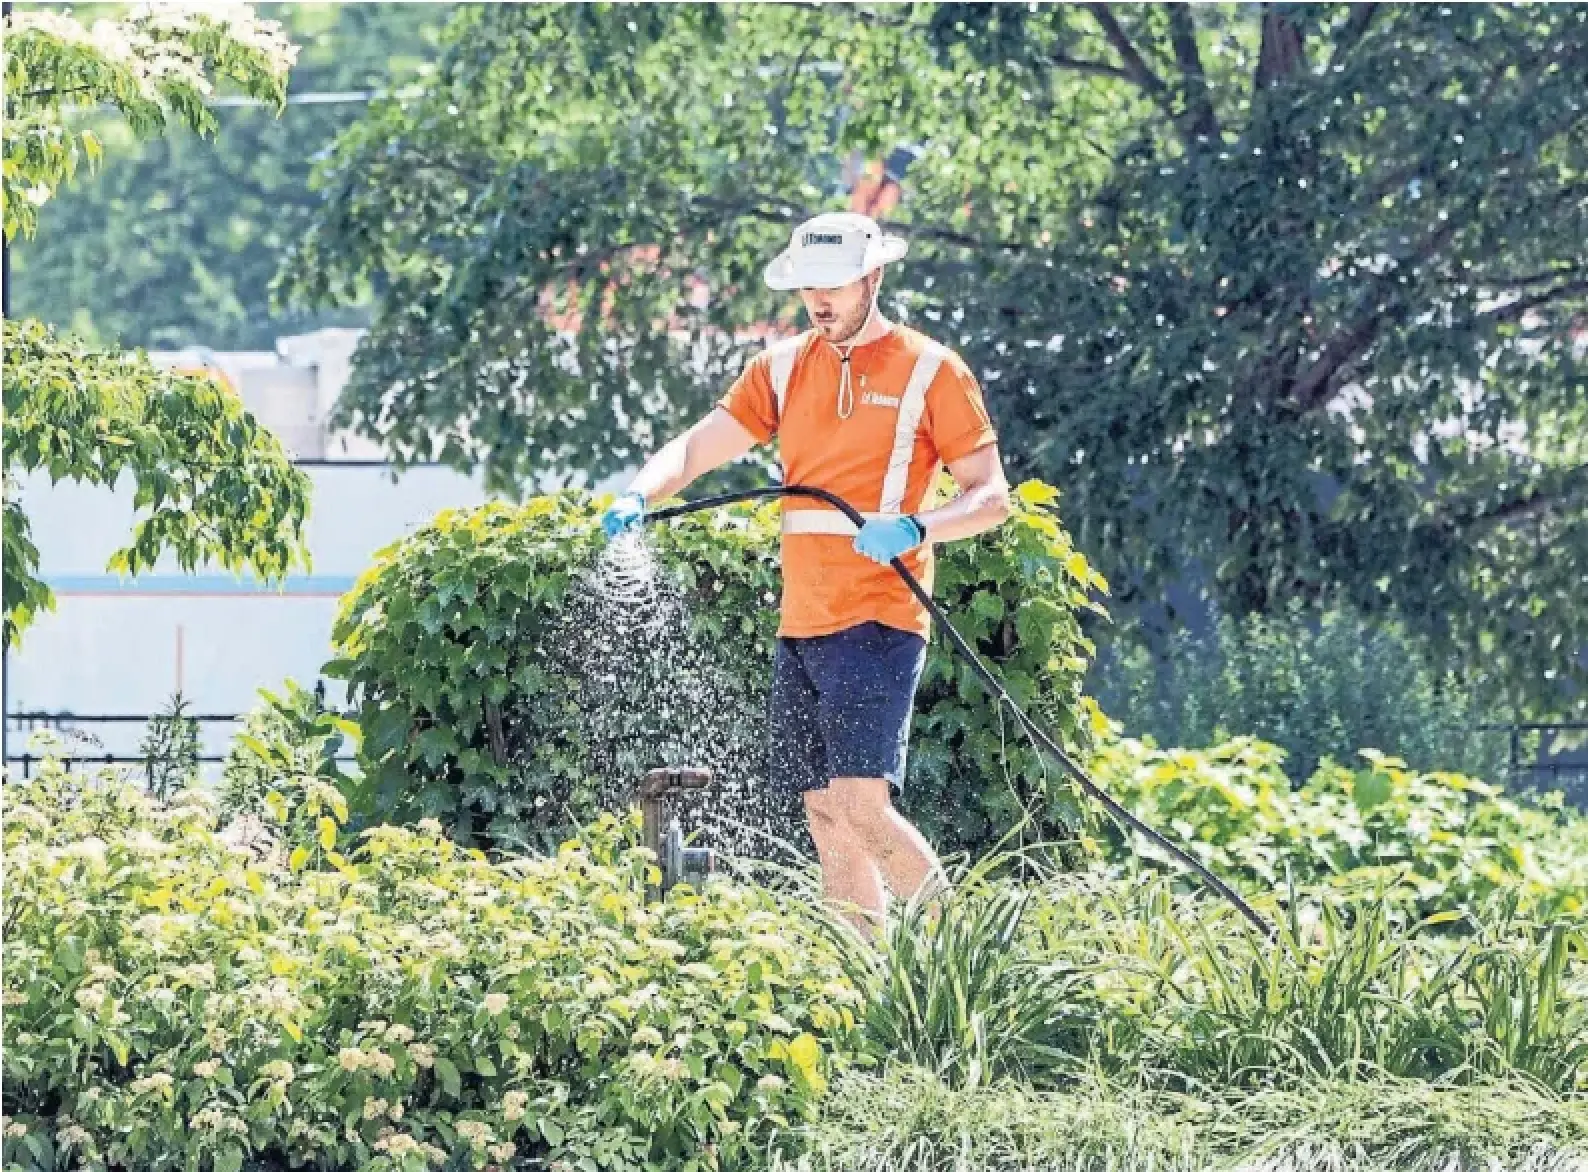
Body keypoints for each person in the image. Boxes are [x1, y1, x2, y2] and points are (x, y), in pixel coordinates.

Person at [601, 211, 1012, 932]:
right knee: (824, 809)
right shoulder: (783, 368)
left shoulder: (931, 370)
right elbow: (698, 448)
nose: (820, 301)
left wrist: (917, 526)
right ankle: (865, 979)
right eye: (808, 288)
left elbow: (991, 498)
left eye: (835, 285)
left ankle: (965, 959)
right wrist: (641, 491)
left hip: (881, 616)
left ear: (873, 278)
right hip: (804, 621)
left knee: (861, 804)